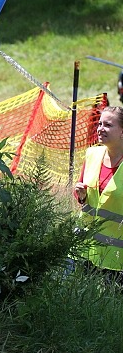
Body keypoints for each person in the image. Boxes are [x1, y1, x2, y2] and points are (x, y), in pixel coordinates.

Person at [73, 106, 123, 277]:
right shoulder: (92, 154)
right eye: (100, 124)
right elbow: (82, 193)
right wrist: (81, 196)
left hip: (116, 256)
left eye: (108, 125)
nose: (101, 128)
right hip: (85, 248)